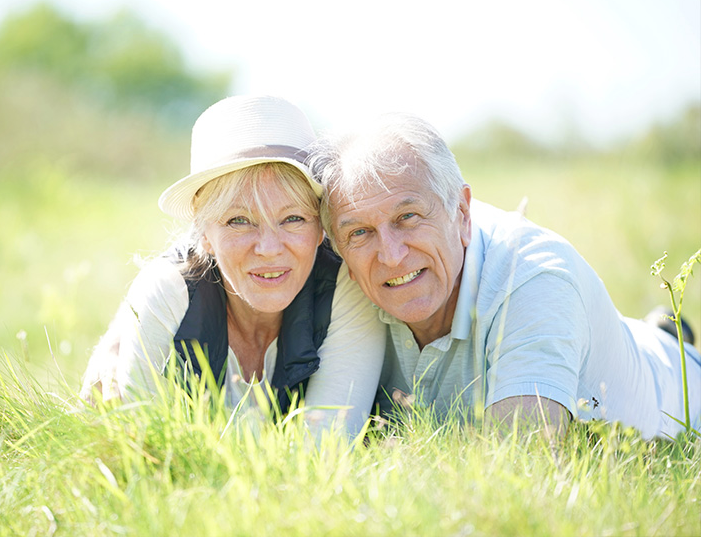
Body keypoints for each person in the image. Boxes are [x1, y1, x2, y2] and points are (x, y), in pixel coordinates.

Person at [308, 112, 701, 439]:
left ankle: (666, 338)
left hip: (678, 390)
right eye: (359, 232)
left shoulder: (535, 279)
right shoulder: (346, 278)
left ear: (462, 214)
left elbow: (521, 462)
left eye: (407, 218)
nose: (391, 257)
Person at [80, 95, 385, 436]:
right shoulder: (167, 291)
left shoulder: (345, 289)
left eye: (293, 218)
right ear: (204, 231)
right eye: (239, 221)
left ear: (320, 228)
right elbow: (140, 446)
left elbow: (327, 448)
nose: (269, 249)